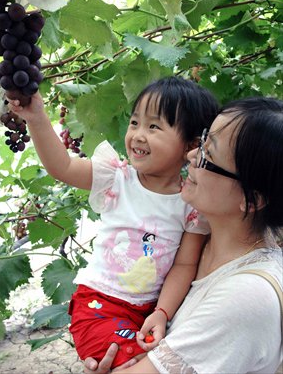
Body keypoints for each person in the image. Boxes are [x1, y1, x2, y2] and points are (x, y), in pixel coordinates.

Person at [7, 76, 219, 368]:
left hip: (147, 312)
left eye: (154, 126)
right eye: (135, 123)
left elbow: (185, 265)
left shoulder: (191, 205)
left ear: (191, 145)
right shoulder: (117, 178)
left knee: (155, 360)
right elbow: (63, 166)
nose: (138, 135)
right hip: (98, 306)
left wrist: (162, 313)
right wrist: (37, 118)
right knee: (139, 364)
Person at [83, 96, 283, 374]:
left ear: (251, 200)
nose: (191, 156)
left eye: (208, 155)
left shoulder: (245, 297)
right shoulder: (189, 245)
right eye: (202, 141)